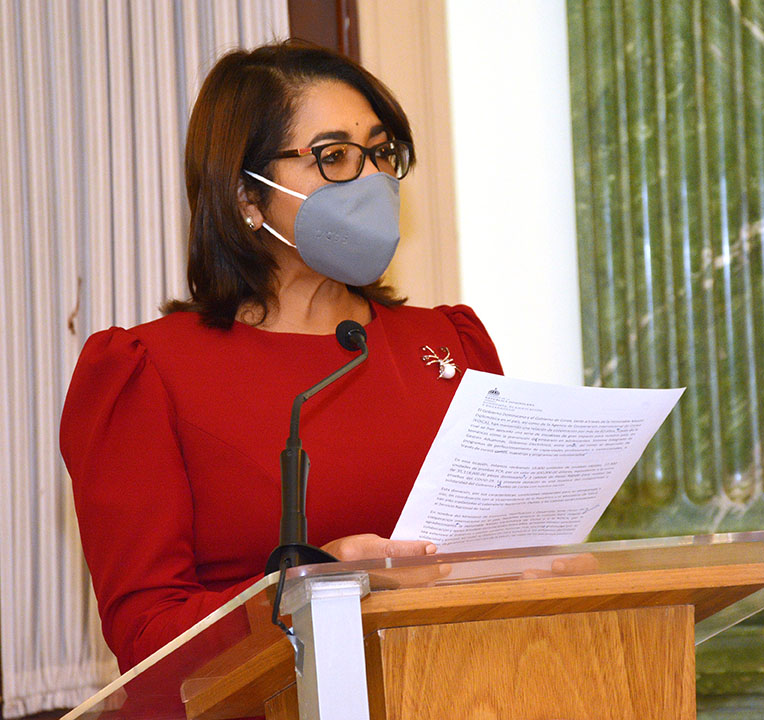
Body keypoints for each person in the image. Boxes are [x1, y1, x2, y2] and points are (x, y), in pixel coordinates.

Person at [59, 41, 503, 674]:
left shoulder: (450, 344)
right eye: (334, 156)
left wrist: (548, 567)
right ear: (247, 195)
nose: (373, 180)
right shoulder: (147, 371)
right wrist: (316, 587)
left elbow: (498, 559)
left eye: (381, 152)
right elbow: (149, 638)